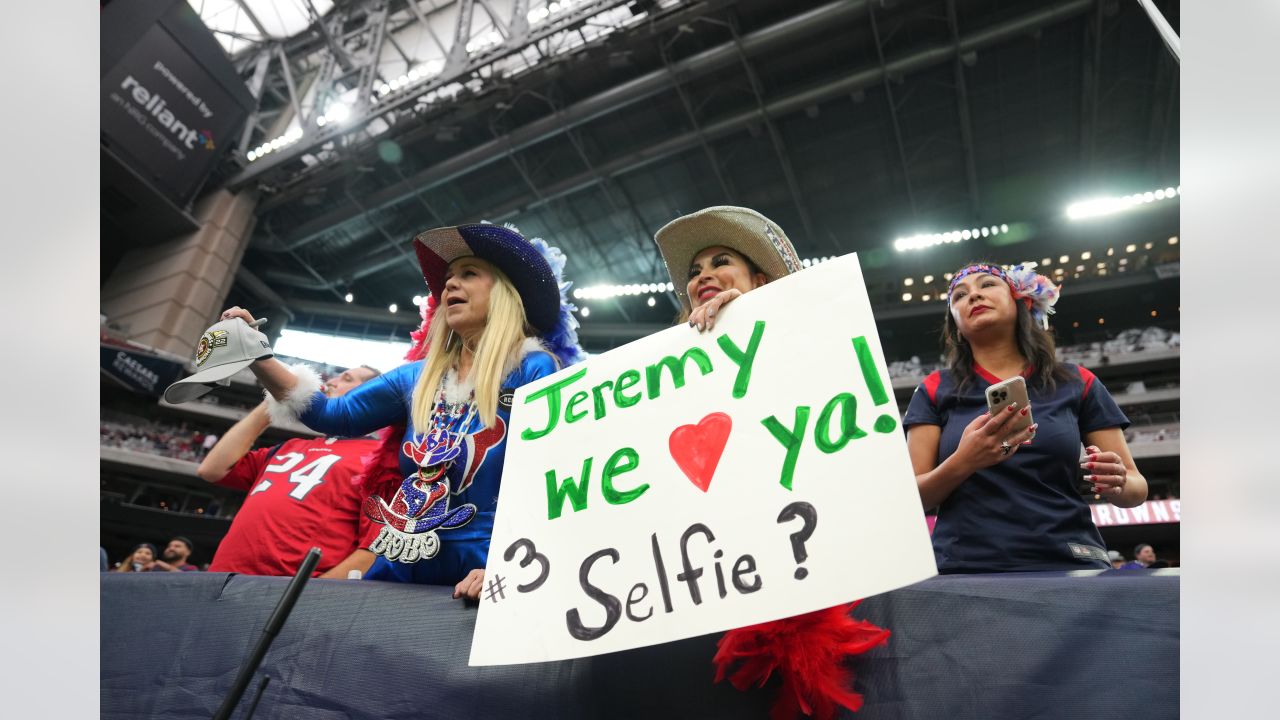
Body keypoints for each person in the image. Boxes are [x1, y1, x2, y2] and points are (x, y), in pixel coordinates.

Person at [218, 223, 584, 599]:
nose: (449, 286)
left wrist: (507, 560)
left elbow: (547, 476)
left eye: (468, 274)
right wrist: (258, 354)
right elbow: (334, 415)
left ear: (507, 293)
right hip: (399, 563)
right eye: (447, 279)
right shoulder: (416, 378)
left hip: (485, 567)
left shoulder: (534, 367)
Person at [904, 261, 1148, 573]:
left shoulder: (1078, 381)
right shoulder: (934, 388)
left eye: (987, 285)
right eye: (959, 296)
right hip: (966, 569)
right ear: (955, 324)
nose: (974, 296)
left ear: (1022, 301)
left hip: (1070, 562)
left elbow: (1136, 489)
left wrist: (1118, 481)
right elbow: (911, 499)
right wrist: (965, 460)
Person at [197, 366, 385, 579]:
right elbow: (213, 469)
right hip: (219, 579)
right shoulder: (291, 446)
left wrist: (307, 598)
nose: (331, 381)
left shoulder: (379, 458)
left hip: (285, 594)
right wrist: (274, 400)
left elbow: (375, 549)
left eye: (346, 379)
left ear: (371, 395)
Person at [653, 205, 804, 333]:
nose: (703, 276)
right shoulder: (668, 358)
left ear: (759, 282)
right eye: (694, 273)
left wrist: (745, 311)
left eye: (721, 263)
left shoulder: (797, 327)